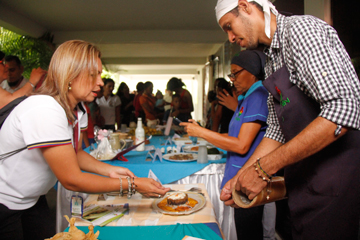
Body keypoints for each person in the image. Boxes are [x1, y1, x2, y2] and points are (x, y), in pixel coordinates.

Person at [215, 0, 360, 239]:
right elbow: (276, 131)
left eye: (230, 26)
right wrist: (241, 176)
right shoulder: (272, 61)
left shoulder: (301, 30)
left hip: (336, 181)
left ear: (246, 6)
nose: (230, 38)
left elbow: (342, 109)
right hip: (304, 182)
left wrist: (262, 170)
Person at [0, 40, 170, 240]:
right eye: (93, 74)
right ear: (71, 74)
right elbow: (71, 179)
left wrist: (108, 170)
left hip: (32, 200)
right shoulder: (44, 108)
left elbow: (74, 153)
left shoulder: (78, 109)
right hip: (5, 203)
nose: (100, 81)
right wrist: (132, 185)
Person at [181, 50, 271, 240]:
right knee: (244, 229)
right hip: (239, 177)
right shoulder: (246, 98)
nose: (233, 79)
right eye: (231, 75)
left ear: (253, 71)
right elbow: (232, 136)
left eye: (236, 73)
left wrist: (202, 133)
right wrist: (203, 133)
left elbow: (241, 145)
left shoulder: (258, 96)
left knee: (249, 231)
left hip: (250, 177)